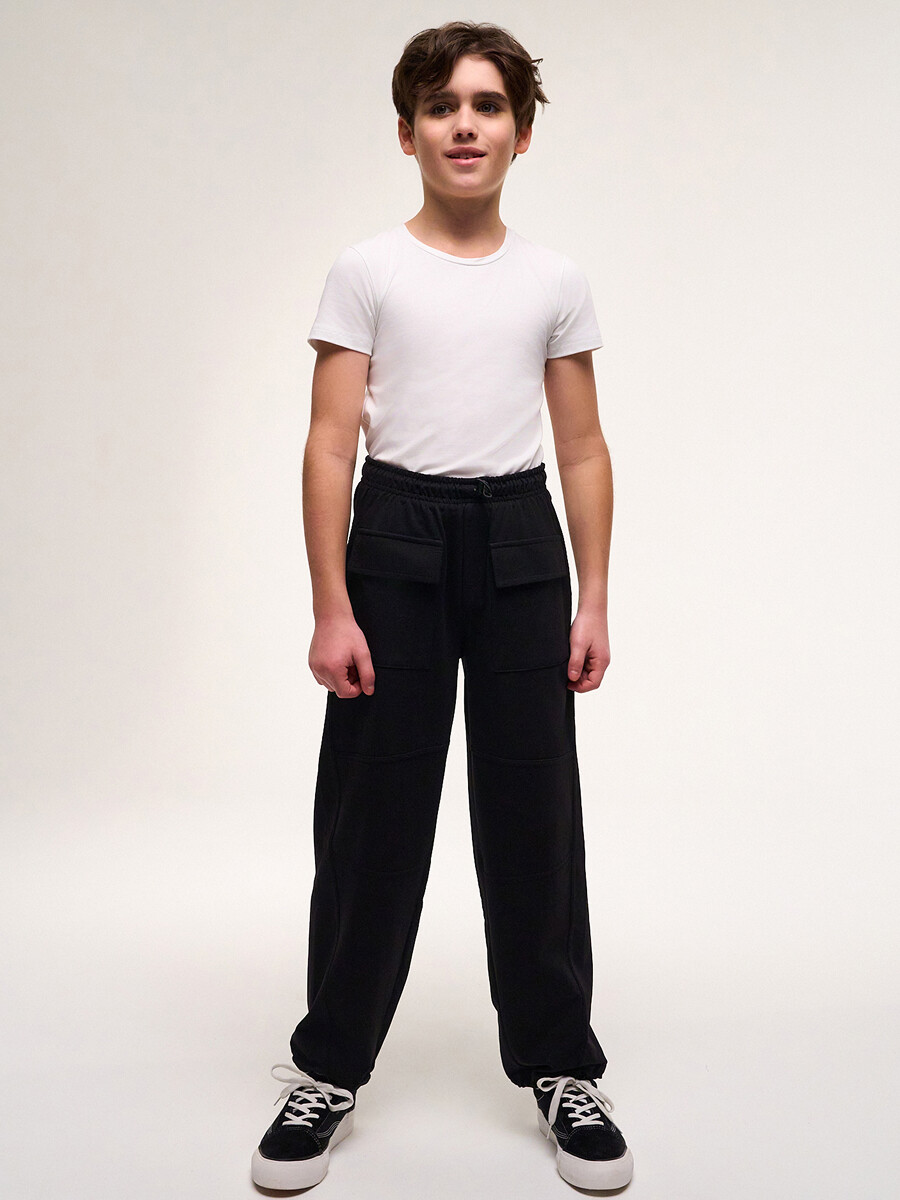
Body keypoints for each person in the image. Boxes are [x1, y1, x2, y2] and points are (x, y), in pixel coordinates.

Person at [250, 19, 634, 1193]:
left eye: (486, 105)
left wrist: (594, 599)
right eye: (441, 106)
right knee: (372, 812)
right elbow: (329, 445)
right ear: (408, 131)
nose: (464, 125)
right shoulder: (368, 271)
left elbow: (582, 448)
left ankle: (561, 1064)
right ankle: (329, 1066)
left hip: (520, 541)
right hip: (398, 539)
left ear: (521, 133)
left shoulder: (553, 280)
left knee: (533, 810)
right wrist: (331, 606)